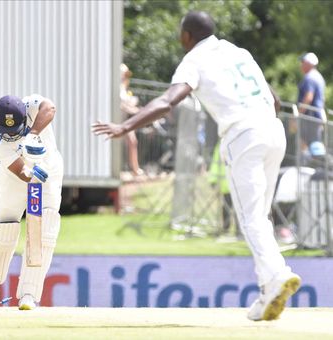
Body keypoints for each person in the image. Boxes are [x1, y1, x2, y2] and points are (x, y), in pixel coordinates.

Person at [92, 11, 301, 321]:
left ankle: (277, 275)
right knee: (259, 216)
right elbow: (275, 100)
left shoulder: (194, 60)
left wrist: (126, 127)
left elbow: (167, 102)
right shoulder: (238, 52)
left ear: (187, 36)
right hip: (272, 130)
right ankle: (267, 289)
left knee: (250, 217)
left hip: (244, 135)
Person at [0, 94, 64, 310]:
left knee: (44, 230)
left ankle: (29, 293)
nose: (10, 136)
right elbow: (22, 174)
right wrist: (31, 171)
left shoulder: (32, 105)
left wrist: (33, 134)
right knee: (6, 225)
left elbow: (50, 106)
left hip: (49, 171)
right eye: (6, 132)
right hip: (17, 175)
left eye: (14, 131)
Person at [297, 52, 326, 150]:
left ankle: (304, 164)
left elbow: (309, 97)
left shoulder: (310, 78)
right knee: (315, 147)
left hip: (310, 118)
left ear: (308, 63)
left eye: (303, 62)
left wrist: (298, 114)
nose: (301, 65)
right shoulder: (319, 77)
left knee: (305, 146)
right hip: (317, 117)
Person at [120, 63, 144, 177]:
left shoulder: (123, 88)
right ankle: (134, 169)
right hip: (118, 121)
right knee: (131, 142)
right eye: (125, 74)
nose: (126, 77)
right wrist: (136, 110)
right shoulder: (118, 88)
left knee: (132, 142)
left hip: (124, 121)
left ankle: (135, 168)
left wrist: (136, 109)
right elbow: (122, 105)